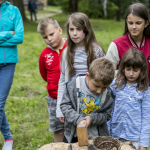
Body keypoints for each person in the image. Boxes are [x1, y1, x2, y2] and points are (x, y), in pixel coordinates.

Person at [56, 12, 106, 123]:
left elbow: (105, 78)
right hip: (73, 101)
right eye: (71, 29)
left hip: (94, 101)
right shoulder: (66, 52)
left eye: (78, 29)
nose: (74, 33)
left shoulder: (96, 51)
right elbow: (62, 80)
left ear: (86, 30)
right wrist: (60, 109)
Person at [60, 58, 115, 143]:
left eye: (104, 87)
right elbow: (65, 105)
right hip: (73, 136)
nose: (99, 91)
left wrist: (91, 118)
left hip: (96, 137)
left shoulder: (108, 94)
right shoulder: (74, 85)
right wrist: (78, 119)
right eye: (96, 86)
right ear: (88, 76)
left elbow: (106, 115)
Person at [108, 48, 150, 150]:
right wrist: (107, 133)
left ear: (142, 70)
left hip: (134, 139)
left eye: (135, 70)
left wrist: (143, 143)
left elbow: (146, 118)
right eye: (128, 69)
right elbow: (109, 109)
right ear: (123, 68)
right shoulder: (115, 85)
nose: (131, 73)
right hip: (115, 136)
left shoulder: (145, 90)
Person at [37, 17, 67, 142]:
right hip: (54, 98)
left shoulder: (71, 48)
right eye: (45, 37)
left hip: (72, 97)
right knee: (58, 129)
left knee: (77, 128)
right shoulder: (44, 54)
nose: (49, 39)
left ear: (59, 30)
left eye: (51, 34)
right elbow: (44, 75)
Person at [105, 3, 150, 85]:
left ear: (146, 23)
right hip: (123, 94)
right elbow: (107, 73)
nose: (134, 27)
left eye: (138, 23)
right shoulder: (116, 45)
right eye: (130, 23)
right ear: (126, 22)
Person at [0, 0, 24, 150]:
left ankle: (8, 139)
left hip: (8, 63)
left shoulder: (14, 10)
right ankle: (8, 138)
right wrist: (9, 33)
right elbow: (14, 35)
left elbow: (20, 37)